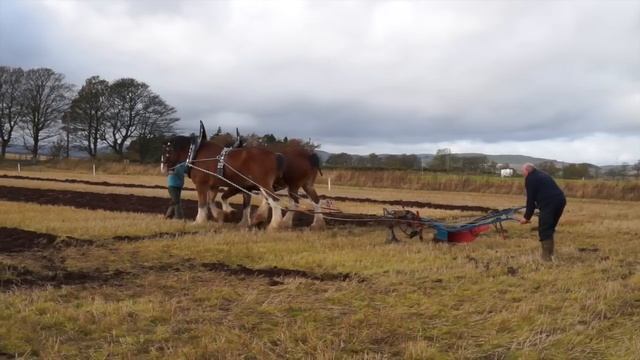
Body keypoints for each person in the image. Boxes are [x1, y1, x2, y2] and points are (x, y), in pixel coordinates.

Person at [518, 163, 566, 261]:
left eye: (523, 171)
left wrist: (526, 217)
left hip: (550, 204)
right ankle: (550, 254)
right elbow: (544, 191)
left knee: (544, 229)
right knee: (550, 227)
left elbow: (530, 200)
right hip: (560, 201)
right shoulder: (543, 174)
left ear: (527, 171)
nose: (522, 174)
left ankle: (546, 258)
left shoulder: (530, 178)